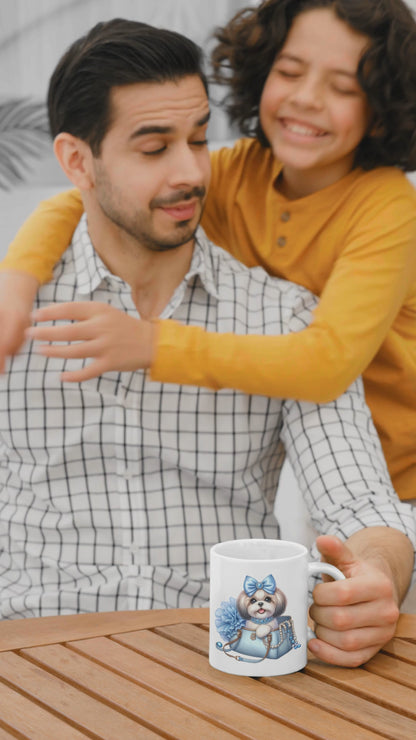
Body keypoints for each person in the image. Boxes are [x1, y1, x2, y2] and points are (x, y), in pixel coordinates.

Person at [0, 17, 414, 668]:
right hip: (30, 668)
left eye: (199, 139)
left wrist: (379, 576)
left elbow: (362, 500)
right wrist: (18, 279)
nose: (193, 171)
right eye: (154, 146)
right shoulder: (12, 315)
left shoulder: (290, 310)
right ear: (77, 161)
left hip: (221, 667)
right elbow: (69, 209)